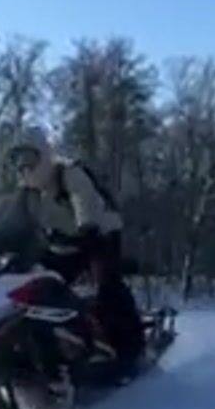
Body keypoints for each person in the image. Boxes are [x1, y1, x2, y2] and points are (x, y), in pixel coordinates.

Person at [9, 125, 145, 374]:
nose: (24, 166)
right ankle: (55, 345)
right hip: (63, 243)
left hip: (100, 233)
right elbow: (13, 218)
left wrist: (86, 226)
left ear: (43, 155)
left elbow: (83, 198)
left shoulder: (68, 172)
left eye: (28, 157)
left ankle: (130, 349)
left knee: (106, 284)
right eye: (17, 160)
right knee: (38, 286)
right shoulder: (27, 192)